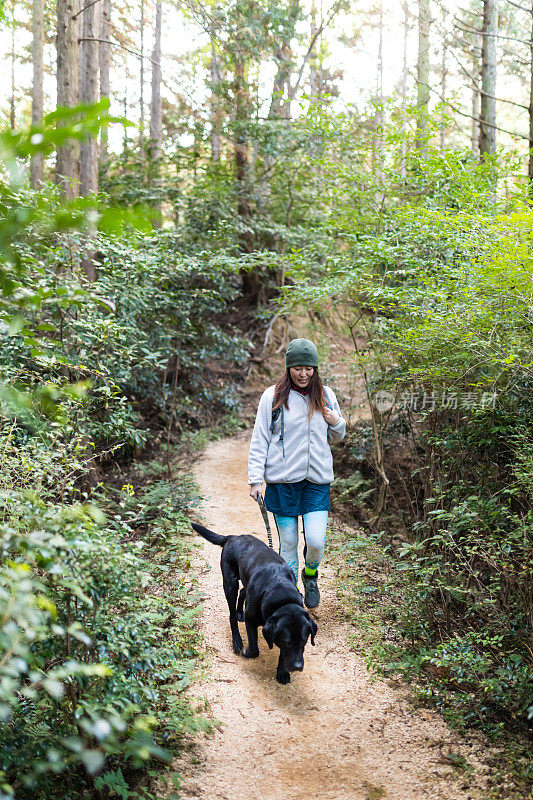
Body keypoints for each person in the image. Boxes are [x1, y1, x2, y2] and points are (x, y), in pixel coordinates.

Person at [248, 338, 346, 609]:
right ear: (289, 367)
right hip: (283, 483)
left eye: (309, 368)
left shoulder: (326, 395)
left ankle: (310, 575)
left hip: (316, 482)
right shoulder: (273, 396)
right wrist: (256, 479)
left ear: (315, 368)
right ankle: (288, 596)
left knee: (315, 542)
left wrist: (335, 422)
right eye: (298, 368)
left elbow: (337, 437)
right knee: (288, 546)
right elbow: (260, 439)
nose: (303, 374)